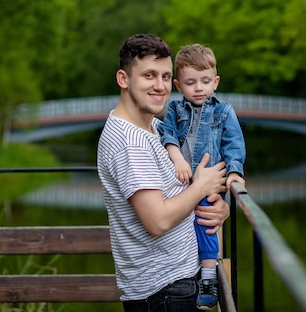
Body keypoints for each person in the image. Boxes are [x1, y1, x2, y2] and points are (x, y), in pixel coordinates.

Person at [97, 34, 230, 312]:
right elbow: (157, 221)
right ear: (123, 79)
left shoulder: (155, 129)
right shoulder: (129, 143)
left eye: (166, 76)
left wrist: (218, 208)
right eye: (149, 75)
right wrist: (200, 188)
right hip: (163, 292)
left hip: (177, 284)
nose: (160, 86)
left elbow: (180, 192)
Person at [158, 44, 246, 310]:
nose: (198, 88)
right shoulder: (174, 110)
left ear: (215, 82)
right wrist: (178, 158)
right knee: (183, 224)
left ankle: (208, 277)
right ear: (178, 85)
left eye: (205, 81)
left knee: (206, 221)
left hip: (208, 184)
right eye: (190, 82)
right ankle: (188, 272)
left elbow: (234, 145)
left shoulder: (224, 111)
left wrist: (234, 172)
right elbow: (167, 135)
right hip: (180, 184)